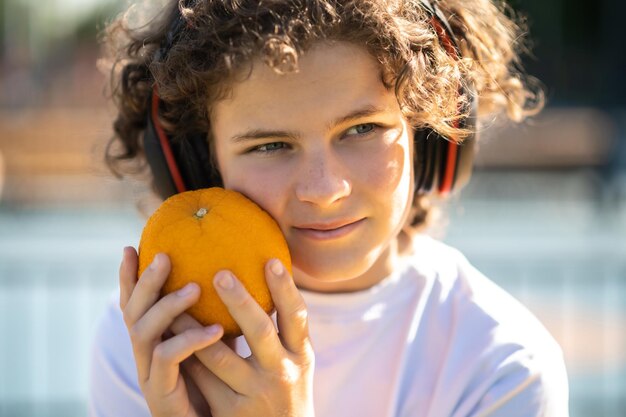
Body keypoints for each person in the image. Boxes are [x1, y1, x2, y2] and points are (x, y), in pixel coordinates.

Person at [89, 0, 569, 416]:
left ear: (432, 130)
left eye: (361, 130)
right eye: (270, 146)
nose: (324, 189)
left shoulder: (505, 367)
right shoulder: (152, 345)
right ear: (199, 165)